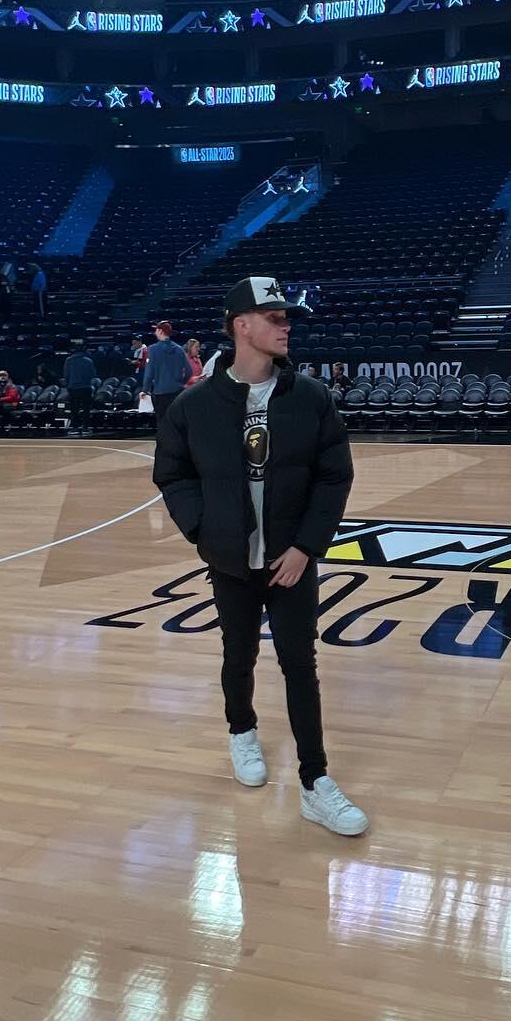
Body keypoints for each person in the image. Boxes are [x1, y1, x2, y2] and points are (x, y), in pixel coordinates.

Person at [152, 275, 366, 838]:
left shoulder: (311, 398)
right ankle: (241, 731)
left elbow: (334, 476)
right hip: (229, 560)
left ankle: (316, 783)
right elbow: (172, 474)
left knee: (301, 664)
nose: (285, 325)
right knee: (238, 654)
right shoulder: (194, 406)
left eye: (286, 317)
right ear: (240, 325)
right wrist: (204, 533)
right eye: (273, 317)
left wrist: (305, 547)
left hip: (291, 561)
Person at [140, 321, 188, 426]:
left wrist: (145, 390)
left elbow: (149, 373)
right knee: (177, 423)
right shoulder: (179, 349)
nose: (155, 332)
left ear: (160, 331)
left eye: (156, 330)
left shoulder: (152, 349)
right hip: (177, 392)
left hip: (160, 393)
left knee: (163, 423)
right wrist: (180, 382)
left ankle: (164, 442)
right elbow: (189, 371)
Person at [63, 339, 97, 436]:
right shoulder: (88, 360)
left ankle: (74, 428)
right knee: (86, 408)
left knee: (74, 409)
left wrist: (68, 385)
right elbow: (93, 374)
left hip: (73, 388)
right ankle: (85, 428)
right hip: (85, 387)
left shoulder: (68, 360)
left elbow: (66, 375)